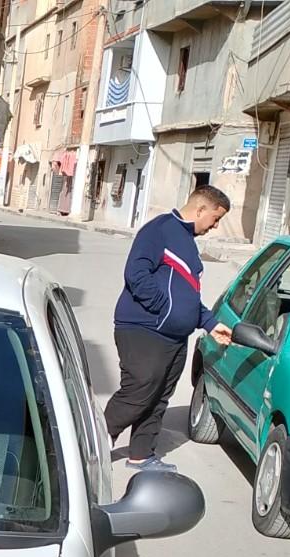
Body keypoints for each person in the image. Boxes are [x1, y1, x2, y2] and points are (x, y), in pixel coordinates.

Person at [104, 185, 234, 472]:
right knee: (138, 392)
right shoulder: (159, 230)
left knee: (160, 395)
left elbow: (187, 296)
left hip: (174, 337)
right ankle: (92, 446)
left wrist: (211, 324)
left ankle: (141, 455)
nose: (215, 226)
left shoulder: (187, 242)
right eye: (215, 218)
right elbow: (136, 274)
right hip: (144, 330)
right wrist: (165, 309)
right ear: (200, 209)